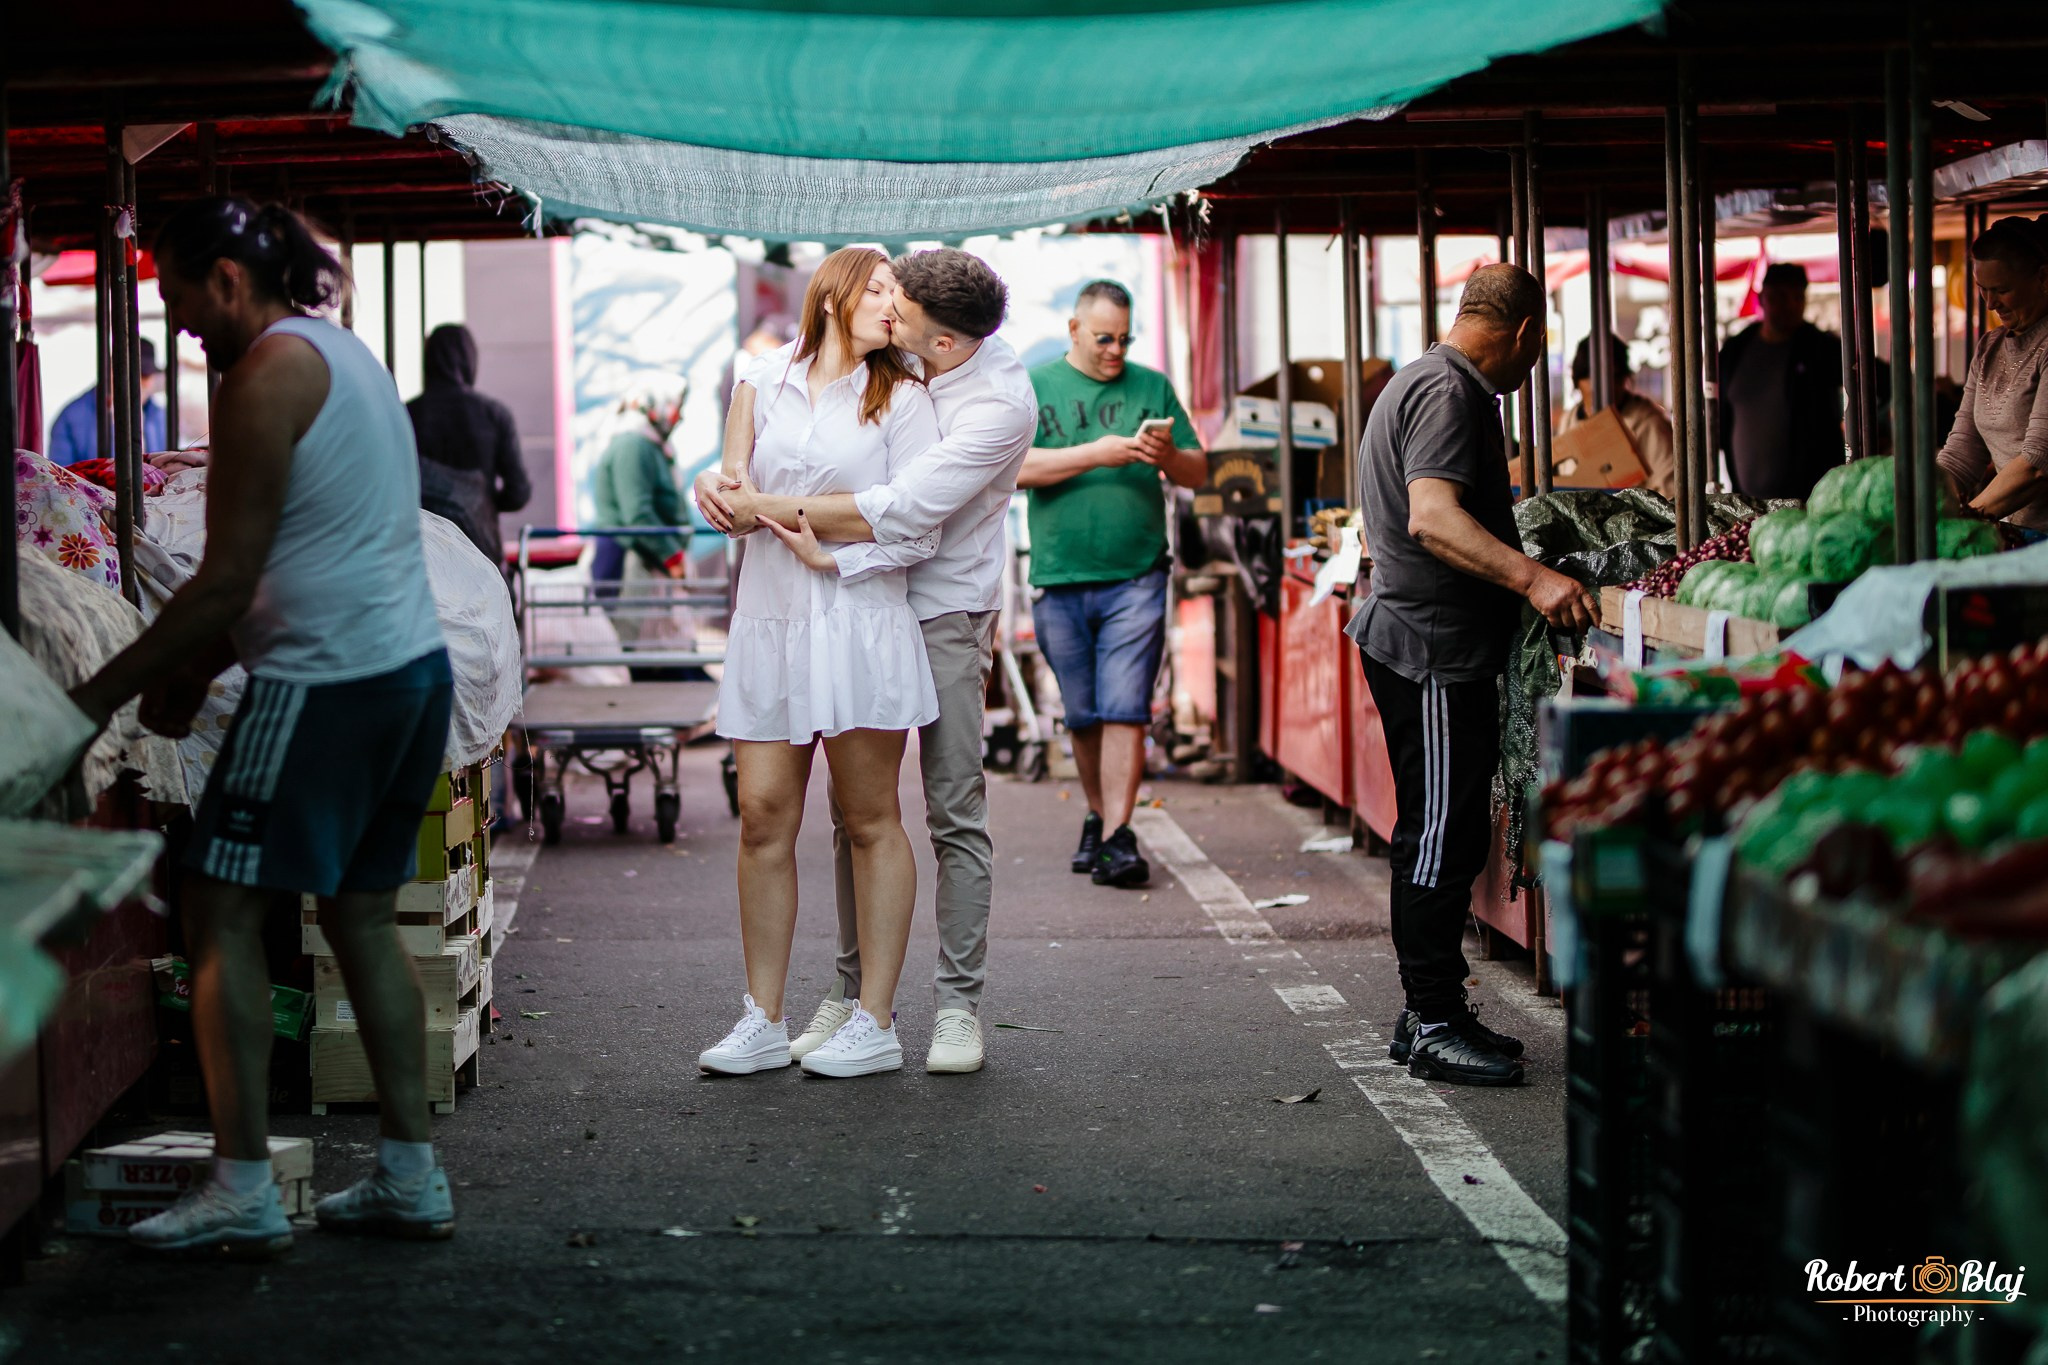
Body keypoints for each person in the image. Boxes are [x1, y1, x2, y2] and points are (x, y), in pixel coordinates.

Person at [67, 198, 457, 1254]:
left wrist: (87, 703)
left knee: (218, 910)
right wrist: (194, 675)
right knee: (360, 919)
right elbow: (303, 560)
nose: (180, 324)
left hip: (323, 688)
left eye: (181, 297)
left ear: (229, 280)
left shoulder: (262, 378)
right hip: (410, 678)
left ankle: (241, 1185)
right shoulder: (345, 356)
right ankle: (410, 1178)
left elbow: (223, 580)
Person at [696, 248, 1033, 1075]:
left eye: (901, 299)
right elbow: (741, 438)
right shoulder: (769, 376)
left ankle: (939, 1008)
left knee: (928, 808)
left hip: (918, 605)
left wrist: (795, 534)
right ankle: (789, 1011)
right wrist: (719, 482)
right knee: (770, 814)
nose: (892, 309)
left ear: (941, 339)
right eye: (880, 289)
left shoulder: (956, 396)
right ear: (838, 294)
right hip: (779, 618)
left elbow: (907, 516)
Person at [1350, 263, 1597, 1088]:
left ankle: (1430, 1010)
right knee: (1440, 835)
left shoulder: (1418, 380)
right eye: (1537, 349)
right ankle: (1432, 1018)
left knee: (1439, 828)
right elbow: (1432, 515)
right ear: (1526, 332)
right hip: (1431, 648)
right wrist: (1534, 578)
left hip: (1425, 642)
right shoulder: (1451, 392)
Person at [1018, 279, 1206, 889]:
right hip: (1061, 576)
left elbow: (1199, 470)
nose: (1115, 350)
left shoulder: (1150, 385)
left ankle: (1120, 835)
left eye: (1125, 339)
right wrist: (1097, 453)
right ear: (1075, 330)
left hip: (1137, 575)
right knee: (1084, 716)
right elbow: (1011, 469)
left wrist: (1165, 456)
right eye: (1104, 338)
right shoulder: (1036, 386)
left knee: (1126, 709)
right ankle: (1098, 819)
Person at [1938, 215, 2048, 529]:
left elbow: (2037, 464)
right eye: (1982, 289)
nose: (1989, 304)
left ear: (2043, 278)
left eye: (2001, 290)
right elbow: (1962, 450)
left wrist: (1964, 519)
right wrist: (1921, 500)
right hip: (2014, 533)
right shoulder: (1989, 347)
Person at [407, 323, 531, 570]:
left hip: (425, 555)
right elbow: (519, 492)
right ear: (470, 360)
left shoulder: (406, 415)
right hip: (480, 549)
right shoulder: (495, 415)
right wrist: (482, 501)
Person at [1717, 262, 1845, 501]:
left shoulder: (1819, 348)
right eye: (1779, 297)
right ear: (1762, 299)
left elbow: (1873, 376)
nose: (1789, 305)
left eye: (1797, 297)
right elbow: (1721, 413)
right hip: (1746, 499)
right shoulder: (1736, 349)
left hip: (1809, 499)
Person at [589, 391, 689, 659]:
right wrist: (671, 554)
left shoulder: (647, 444)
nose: (680, 417)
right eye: (675, 408)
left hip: (638, 556)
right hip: (626, 558)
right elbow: (637, 513)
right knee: (626, 640)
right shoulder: (633, 445)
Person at [1558, 333, 1676, 500]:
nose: (1602, 390)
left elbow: (1670, 490)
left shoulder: (1648, 423)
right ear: (1577, 381)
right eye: (1591, 377)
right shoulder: (1569, 420)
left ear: (1623, 380)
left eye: (1613, 378)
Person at [48, 337, 168, 466]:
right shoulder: (71, 418)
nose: (136, 382)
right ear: (110, 370)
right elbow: (60, 477)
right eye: (128, 373)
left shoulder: (159, 416)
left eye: (144, 375)